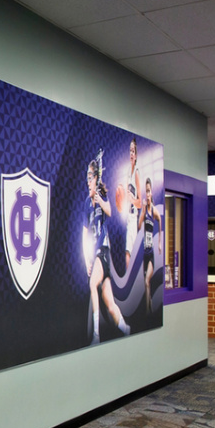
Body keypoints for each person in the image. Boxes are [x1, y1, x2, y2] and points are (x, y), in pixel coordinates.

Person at [86, 153, 130, 345]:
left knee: (91, 285)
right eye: (86, 178)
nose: (87, 181)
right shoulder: (86, 204)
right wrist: (86, 260)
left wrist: (99, 198)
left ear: (96, 178)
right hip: (95, 255)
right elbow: (84, 235)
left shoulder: (101, 196)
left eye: (90, 177)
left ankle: (96, 335)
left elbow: (110, 211)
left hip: (103, 252)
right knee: (111, 305)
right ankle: (126, 329)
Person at [139, 177, 162, 316]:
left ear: (151, 193)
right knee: (145, 283)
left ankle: (148, 312)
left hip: (151, 252)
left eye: (148, 191)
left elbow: (160, 221)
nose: (147, 194)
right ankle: (150, 304)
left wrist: (159, 242)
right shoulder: (144, 210)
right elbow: (139, 226)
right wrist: (142, 210)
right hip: (144, 252)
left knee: (148, 281)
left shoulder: (153, 210)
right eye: (145, 191)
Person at [120, 137, 142, 271]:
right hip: (127, 216)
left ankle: (130, 278)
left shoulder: (136, 174)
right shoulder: (128, 171)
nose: (131, 153)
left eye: (133, 151)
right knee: (127, 251)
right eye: (130, 151)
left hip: (133, 218)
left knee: (129, 252)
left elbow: (140, 203)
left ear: (137, 154)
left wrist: (132, 199)